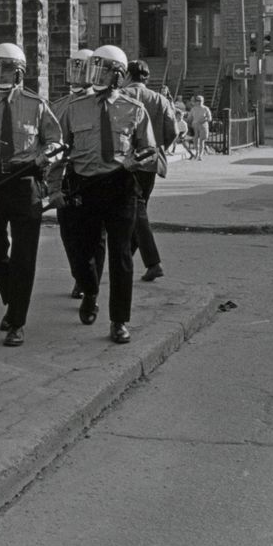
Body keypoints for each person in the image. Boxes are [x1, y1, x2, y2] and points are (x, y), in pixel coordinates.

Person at [52, 44, 155, 345]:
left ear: (119, 75)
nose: (96, 75)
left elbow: (150, 151)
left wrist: (140, 160)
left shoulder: (134, 110)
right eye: (94, 67)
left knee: (121, 255)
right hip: (84, 186)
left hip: (120, 186)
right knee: (82, 252)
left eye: (104, 69)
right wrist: (55, 188)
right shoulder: (73, 108)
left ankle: (119, 320)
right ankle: (89, 291)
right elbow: (59, 153)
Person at [0, 43, 62, 346]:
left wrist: (46, 156)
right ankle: (13, 297)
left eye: (6, 67)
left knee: (24, 256)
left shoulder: (36, 104)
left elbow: (55, 141)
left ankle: (17, 321)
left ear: (20, 71)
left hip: (25, 183)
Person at [49, 48, 104, 301]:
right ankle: (80, 276)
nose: (76, 75)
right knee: (69, 233)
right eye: (74, 68)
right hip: (68, 176)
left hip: (94, 176)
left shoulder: (102, 103)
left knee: (96, 237)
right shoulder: (58, 106)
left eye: (82, 69)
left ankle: (90, 286)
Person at [122, 59, 177, 284]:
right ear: (146, 77)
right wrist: (157, 146)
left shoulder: (121, 96)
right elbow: (172, 131)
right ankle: (128, 257)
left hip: (126, 161)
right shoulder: (160, 100)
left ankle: (151, 263)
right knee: (139, 207)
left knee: (136, 211)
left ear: (127, 75)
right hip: (151, 162)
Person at [187, 95, 212, 160]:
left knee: (201, 141)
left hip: (203, 126)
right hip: (195, 126)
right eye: (198, 100)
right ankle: (197, 153)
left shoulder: (205, 108)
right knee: (195, 141)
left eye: (200, 100)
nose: (199, 102)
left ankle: (200, 155)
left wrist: (205, 119)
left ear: (203, 101)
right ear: (196, 101)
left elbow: (210, 118)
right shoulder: (193, 109)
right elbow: (189, 118)